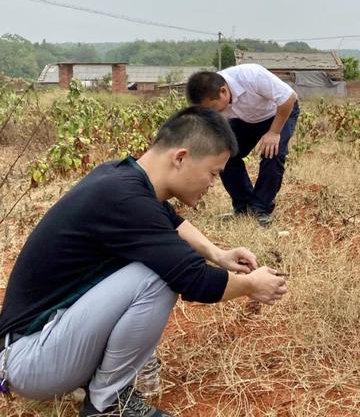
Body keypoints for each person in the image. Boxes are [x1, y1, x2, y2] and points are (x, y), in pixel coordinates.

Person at [0, 107, 288, 416]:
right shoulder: (125, 200)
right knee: (156, 276)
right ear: (180, 158)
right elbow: (193, 280)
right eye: (213, 173)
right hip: (31, 360)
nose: (212, 183)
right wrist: (251, 285)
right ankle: (108, 403)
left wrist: (218, 253)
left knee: (155, 262)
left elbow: (170, 219)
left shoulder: (120, 176)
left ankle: (98, 381)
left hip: (41, 342)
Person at [185, 64, 299, 227]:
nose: (212, 113)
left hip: (279, 112)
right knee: (224, 152)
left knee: (272, 153)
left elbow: (289, 98)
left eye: (212, 108)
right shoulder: (211, 94)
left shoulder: (252, 76)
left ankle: (260, 210)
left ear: (223, 91)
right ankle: (244, 207)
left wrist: (274, 132)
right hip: (247, 118)